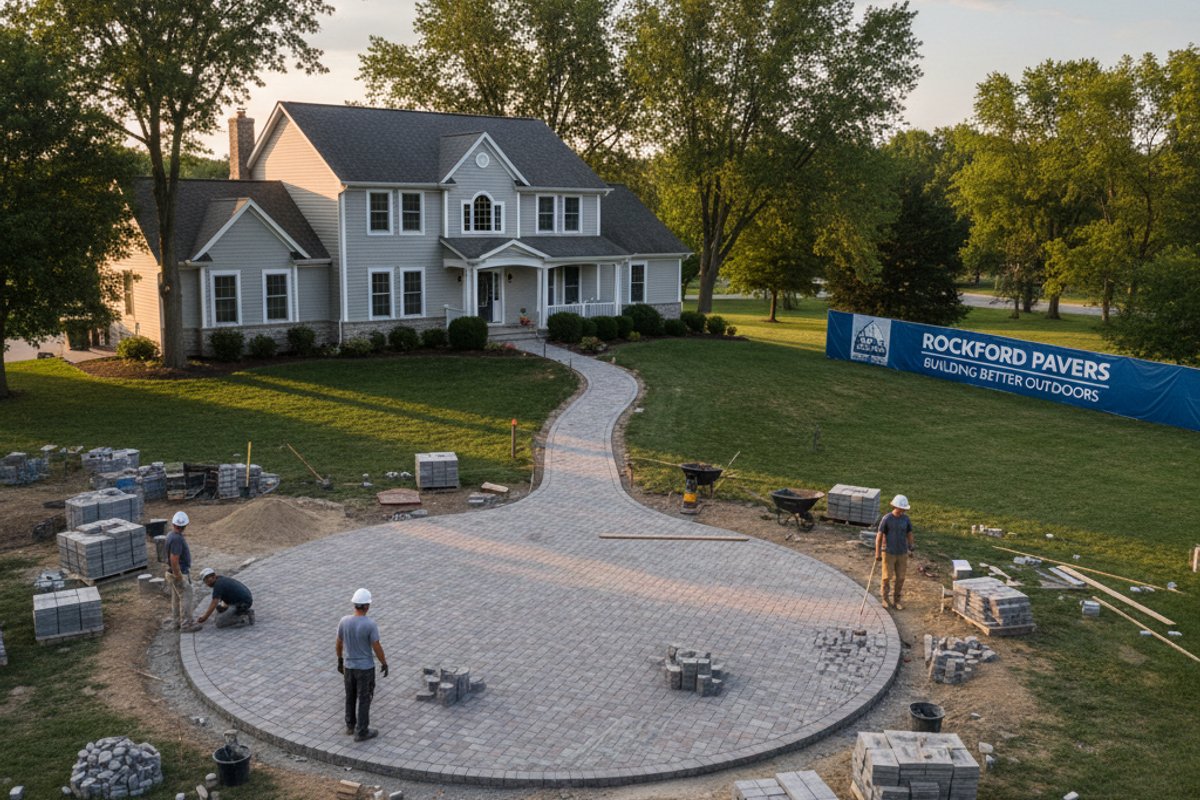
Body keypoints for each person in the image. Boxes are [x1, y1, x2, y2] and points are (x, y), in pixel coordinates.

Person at [336, 588, 389, 742]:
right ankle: (362, 731)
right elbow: (376, 646)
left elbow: (338, 643)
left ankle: (350, 725)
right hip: (365, 669)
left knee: (350, 696)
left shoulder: (344, 621)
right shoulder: (370, 624)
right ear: (367, 606)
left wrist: (340, 660)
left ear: (354, 605)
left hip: (349, 667)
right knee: (364, 699)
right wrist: (384, 663)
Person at [875, 494, 915, 610]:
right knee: (887, 576)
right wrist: (877, 553)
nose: (903, 510)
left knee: (901, 577)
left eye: (904, 509)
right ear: (896, 507)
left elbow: (909, 533)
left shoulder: (906, 519)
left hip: (902, 552)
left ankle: (897, 600)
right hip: (888, 552)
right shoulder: (887, 519)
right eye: (902, 508)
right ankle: (885, 598)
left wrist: (911, 545)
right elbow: (879, 536)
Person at [165, 511, 202, 632]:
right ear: (184, 526)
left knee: (176, 598)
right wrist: (179, 576)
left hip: (171, 572)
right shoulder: (177, 539)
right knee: (186, 596)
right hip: (178, 572)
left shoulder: (170, 535)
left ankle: (176, 622)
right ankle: (186, 624)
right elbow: (174, 560)